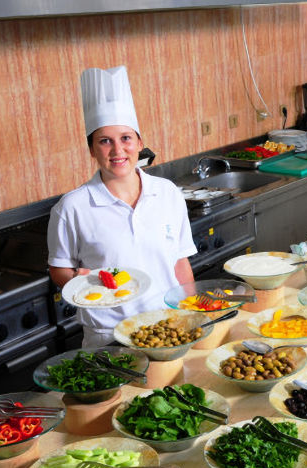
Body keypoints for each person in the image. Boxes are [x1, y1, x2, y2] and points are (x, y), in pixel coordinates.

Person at [47, 66, 196, 348]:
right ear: (92, 149)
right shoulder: (72, 208)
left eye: (126, 138)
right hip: (108, 337)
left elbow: (180, 263)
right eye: (105, 141)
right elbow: (59, 269)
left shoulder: (167, 194)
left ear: (140, 143)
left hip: (169, 329)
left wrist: (190, 315)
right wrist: (81, 279)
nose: (117, 151)